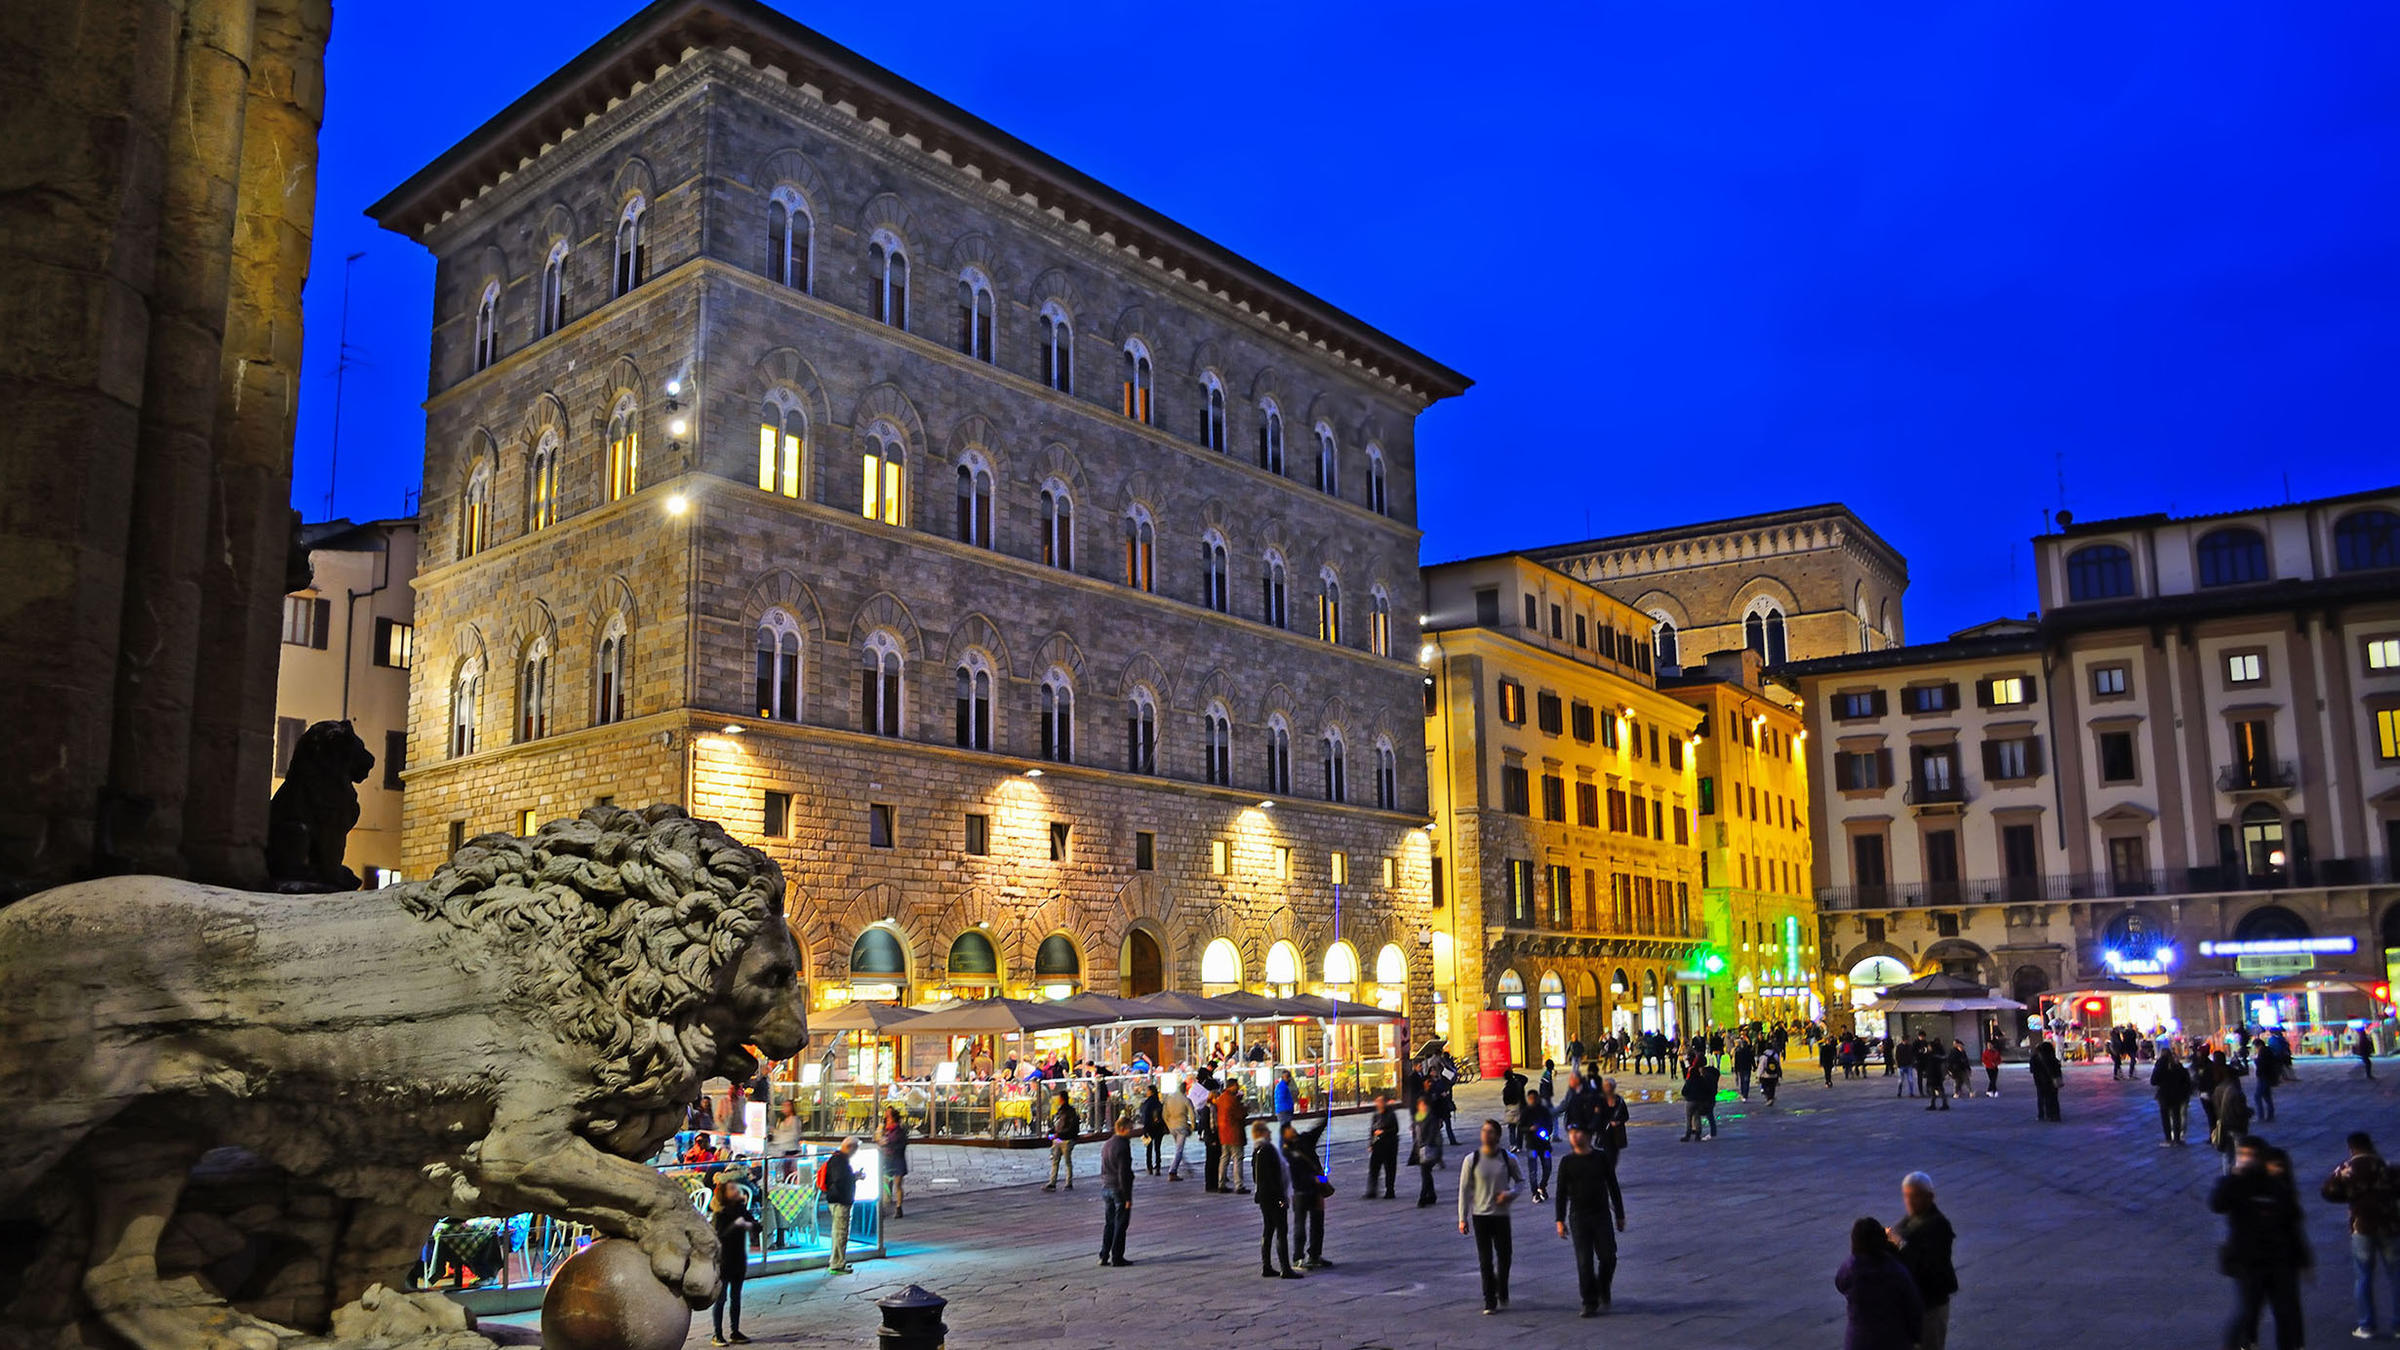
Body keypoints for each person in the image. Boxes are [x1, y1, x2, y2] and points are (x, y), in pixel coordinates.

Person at [2211, 1135, 2310, 1350]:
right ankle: (2243, 1344)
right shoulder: (2235, 1183)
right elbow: (2217, 1204)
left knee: (2285, 1313)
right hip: (2248, 1262)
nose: (2246, 1159)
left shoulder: (2276, 1184)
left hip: (2279, 1261)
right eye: (2242, 1155)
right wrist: (2235, 1175)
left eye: (2251, 1155)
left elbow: (2292, 1222)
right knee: (2248, 1312)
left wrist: (2303, 1258)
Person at [2321, 1130, 2400, 1340]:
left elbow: (2328, 1192)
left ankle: (2366, 1325)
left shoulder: (2349, 1169)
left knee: (2363, 1276)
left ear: (2351, 1148)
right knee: (2396, 1275)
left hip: (2362, 1226)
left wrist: (2337, 1177)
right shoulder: (2386, 1166)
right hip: (2390, 1226)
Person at [1553, 1121, 1626, 1317]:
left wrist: (1619, 1214)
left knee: (1608, 1256)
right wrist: (1559, 1220)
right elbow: (1560, 1193)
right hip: (1579, 1216)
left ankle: (1603, 1286)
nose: (1575, 1136)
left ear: (1588, 1135)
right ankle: (1589, 1301)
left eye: (1579, 1132)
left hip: (1601, 1214)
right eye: (1571, 1133)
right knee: (1584, 1261)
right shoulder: (1567, 1162)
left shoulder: (1600, 1158)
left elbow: (1613, 1185)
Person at [1458, 1119, 1522, 1314]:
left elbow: (1521, 1181)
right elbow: (1464, 1190)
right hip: (1481, 1215)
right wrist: (1463, 1217)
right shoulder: (1472, 1160)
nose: (1486, 1134)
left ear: (1497, 1136)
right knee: (1485, 1260)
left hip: (1501, 1215)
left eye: (1490, 1131)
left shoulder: (1508, 1158)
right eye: (1484, 1130)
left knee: (1505, 1257)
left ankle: (1502, 1286)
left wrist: (1510, 1194)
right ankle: (1489, 1300)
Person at [1835, 1215, 1924, 1350]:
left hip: (1859, 1340)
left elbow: (1840, 1284)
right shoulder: (1895, 1270)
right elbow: (1913, 1306)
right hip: (1893, 1340)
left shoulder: (1850, 1267)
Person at [1892, 1172, 1958, 1350]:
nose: (1909, 1201)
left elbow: (1922, 1261)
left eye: (1914, 1196)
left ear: (1930, 1197)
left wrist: (1898, 1242)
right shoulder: (1911, 1219)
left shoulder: (1938, 1224)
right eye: (1906, 1196)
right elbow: (1897, 1234)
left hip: (1931, 1304)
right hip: (1913, 1303)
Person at [709, 1170, 758, 1345]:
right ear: (724, 1193)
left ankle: (735, 1331)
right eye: (731, 1188)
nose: (736, 1190)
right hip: (724, 1261)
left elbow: (757, 1226)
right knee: (721, 1299)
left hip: (738, 1259)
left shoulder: (740, 1209)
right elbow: (718, 1235)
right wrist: (735, 1226)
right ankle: (717, 1333)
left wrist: (748, 1225)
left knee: (736, 1297)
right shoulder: (720, 1214)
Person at [1251, 1121, 1301, 1278]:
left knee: (1268, 1229)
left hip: (1263, 1197)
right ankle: (1285, 1268)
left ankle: (1267, 1265)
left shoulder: (1256, 1150)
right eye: (1267, 1131)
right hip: (1274, 1196)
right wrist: (1282, 1197)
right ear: (1262, 1132)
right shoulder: (1268, 1149)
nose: (1270, 1133)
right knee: (1281, 1230)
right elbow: (1275, 1176)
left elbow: (1256, 1176)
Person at [1282, 1116, 1331, 1268]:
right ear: (1284, 1135)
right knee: (1300, 1225)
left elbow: (1316, 1131)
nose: (1292, 1128)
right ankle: (1298, 1257)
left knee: (1318, 1223)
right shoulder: (1286, 1153)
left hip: (1316, 1190)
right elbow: (1295, 1176)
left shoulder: (1305, 1139)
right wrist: (1314, 1179)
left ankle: (1315, 1255)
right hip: (1301, 1191)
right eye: (1288, 1128)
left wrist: (1326, 1117)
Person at [1097, 1116, 1135, 1267]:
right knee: (1120, 1224)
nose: (1131, 1131)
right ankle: (1117, 1256)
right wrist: (1127, 1198)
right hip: (1118, 1189)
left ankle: (1104, 1254)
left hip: (1106, 1186)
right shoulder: (1123, 1146)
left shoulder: (1107, 1144)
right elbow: (1123, 1173)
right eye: (1130, 1129)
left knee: (1109, 1223)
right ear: (1123, 1129)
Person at [822, 1137, 861, 1274]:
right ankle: (837, 1264)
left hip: (837, 1199)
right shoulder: (840, 1160)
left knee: (839, 1231)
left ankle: (838, 1261)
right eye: (855, 1149)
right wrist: (853, 1177)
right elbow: (840, 1179)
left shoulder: (837, 1158)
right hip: (840, 1200)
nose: (855, 1152)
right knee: (840, 1232)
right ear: (850, 1147)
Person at [2212, 1065, 2255, 1176]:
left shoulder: (2218, 1089)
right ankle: (2238, 1177)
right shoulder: (2236, 1091)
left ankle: (2227, 1176)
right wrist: (2249, 1112)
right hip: (2236, 1126)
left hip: (2224, 1125)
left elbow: (2216, 1108)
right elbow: (2240, 1111)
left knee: (2227, 1154)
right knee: (2239, 1154)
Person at [2151, 1047, 2193, 1146]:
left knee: (2165, 1117)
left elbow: (2153, 1081)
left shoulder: (2161, 1065)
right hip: (2177, 1094)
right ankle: (2177, 1138)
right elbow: (2186, 1080)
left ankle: (2168, 1139)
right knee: (2176, 1116)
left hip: (2164, 1094)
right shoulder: (2178, 1066)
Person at [1216, 1077, 1250, 1194]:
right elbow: (1240, 1114)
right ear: (1232, 1086)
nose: (1238, 1088)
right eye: (1237, 1086)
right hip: (1234, 1133)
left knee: (1224, 1158)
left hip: (1223, 1133)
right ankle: (1238, 1185)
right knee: (1237, 1158)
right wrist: (1245, 1107)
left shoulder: (1221, 1098)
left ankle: (1221, 1183)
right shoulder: (1232, 1100)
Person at [1520, 1089, 1554, 1201]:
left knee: (1548, 1167)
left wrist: (1546, 1132)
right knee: (1533, 1170)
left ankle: (1542, 1186)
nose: (1532, 1101)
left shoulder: (1544, 1111)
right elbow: (1520, 1128)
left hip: (1544, 1145)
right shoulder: (1525, 1112)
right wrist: (1530, 1129)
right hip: (1532, 1145)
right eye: (1530, 1099)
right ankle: (1535, 1192)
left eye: (1534, 1098)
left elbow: (1550, 1124)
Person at [1367, 1091, 1401, 1199]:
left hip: (1389, 1145)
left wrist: (1383, 1132)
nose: (1378, 1104)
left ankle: (1390, 1190)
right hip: (1378, 1145)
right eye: (1377, 1101)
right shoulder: (1376, 1115)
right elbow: (1372, 1131)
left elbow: (1395, 1129)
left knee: (1389, 1169)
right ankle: (1372, 1191)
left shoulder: (1391, 1115)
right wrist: (1371, 1143)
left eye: (1380, 1102)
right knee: (1374, 1168)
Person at [1043, 1090, 1080, 1191]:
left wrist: (1057, 1134)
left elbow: (1069, 1127)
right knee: (1056, 1160)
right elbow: (1058, 1125)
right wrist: (1052, 1132)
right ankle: (1053, 1182)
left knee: (1065, 1161)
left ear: (1062, 1099)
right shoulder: (1063, 1111)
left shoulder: (1068, 1112)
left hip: (1065, 1139)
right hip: (1060, 1138)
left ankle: (1067, 1183)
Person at [878, 1105, 910, 1219]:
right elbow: (878, 1139)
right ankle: (886, 1207)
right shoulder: (884, 1128)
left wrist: (885, 1142)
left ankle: (898, 1207)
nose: (886, 1116)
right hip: (888, 1159)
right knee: (886, 1185)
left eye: (888, 1114)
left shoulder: (898, 1130)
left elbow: (892, 1142)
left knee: (897, 1184)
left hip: (896, 1158)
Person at [1414, 1097, 1447, 1206]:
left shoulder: (1431, 1118)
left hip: (1429, 1149)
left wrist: (1427, 1145)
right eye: (1419, 1105)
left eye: (1422, 1105)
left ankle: (1422, 1198)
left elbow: (1434, 1135)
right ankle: (1432, 1195)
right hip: (1421, 1150)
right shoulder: (1418, 1118)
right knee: (1426, 1173)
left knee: (1425, 1173)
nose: (1420, 1107)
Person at [1162, 1075, 1194, 1181]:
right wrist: (1192, 1127)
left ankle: (1183, 1165)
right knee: (1179, 1149)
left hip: (1172, 1126)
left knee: (1178, 1148)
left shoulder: (1169, 1099)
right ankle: (1173, 1170)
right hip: (1182, 1126)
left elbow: (1164, 1114)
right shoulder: (1186, 1100)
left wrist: (1168, 1125)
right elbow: (1192, 1115)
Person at [1136, 1083, 1166, 1176]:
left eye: (1147, 1090)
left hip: (1149, 1128)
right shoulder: (1159, 1103)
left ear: (1150, 1092)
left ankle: (1149, 1167)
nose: (1146, 1092)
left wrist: (1145, 1129)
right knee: (1158, 1148)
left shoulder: (1147, 1103)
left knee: (1149, 1148)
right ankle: (1158, 1167)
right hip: (1159, 1127)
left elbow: (1145, 1117)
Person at [2030, 1040, 2063, 1122]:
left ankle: (2042, 1114)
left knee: (2041, 1098)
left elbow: (2032, 1070)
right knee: (2053, 1098)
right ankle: (2054, 1114)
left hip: (2040, 1081)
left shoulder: (2035, 1058)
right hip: (2051, 1081)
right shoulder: (2053, 1059)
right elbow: (2057, 1070)